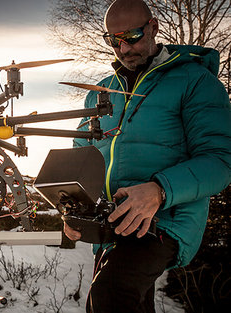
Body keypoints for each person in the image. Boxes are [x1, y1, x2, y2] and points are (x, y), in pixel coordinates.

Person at [64, 0, 231, 312]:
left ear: (153, 27)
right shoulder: (99, 92)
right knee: (108, 302)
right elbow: (81, 158)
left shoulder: (195, 81)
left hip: (165, 219)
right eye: (114, 41)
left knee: (111, 295)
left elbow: (221, 160)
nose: (124, 49)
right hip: (111, 223)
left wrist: (159, 191)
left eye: (132, 36)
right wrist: (76, 207)